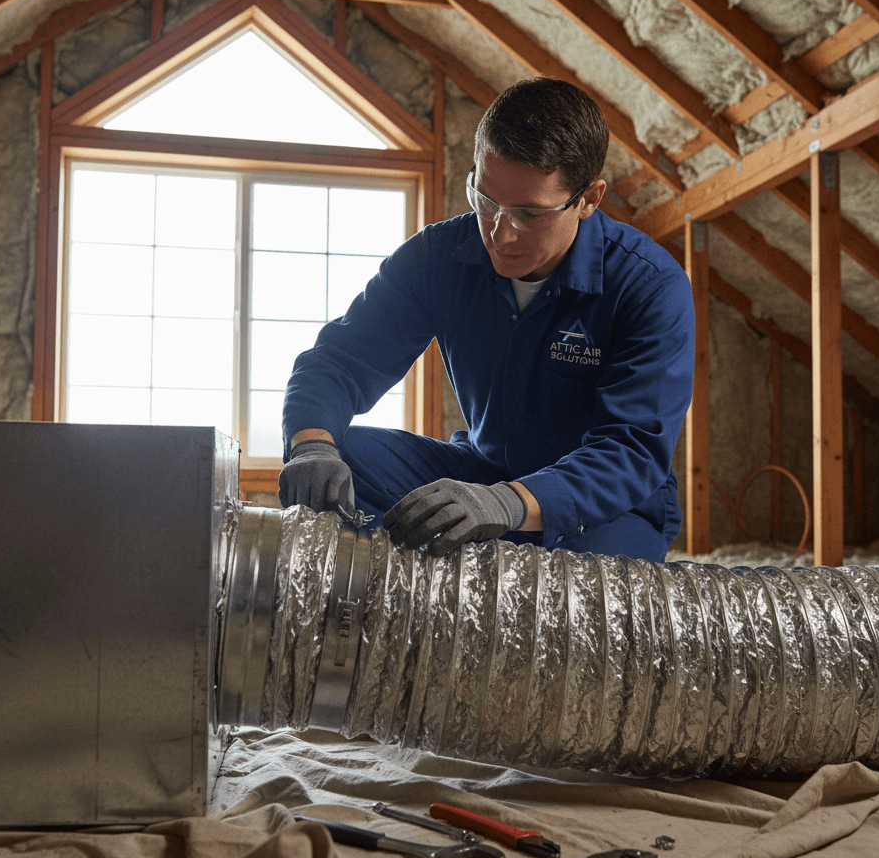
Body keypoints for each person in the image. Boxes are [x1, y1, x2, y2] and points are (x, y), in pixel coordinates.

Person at [278, 77, 695, 562]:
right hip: (482, 472)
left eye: (529, 214)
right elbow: (340, 362)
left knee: (590, 604)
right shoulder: (438, 256)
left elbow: (631, 451)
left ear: (589, 199)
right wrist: (311, 446)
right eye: (487, 200)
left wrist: (508, 502)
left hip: (599, 505)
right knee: (340, 456)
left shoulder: (648, 285)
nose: (500, 233)